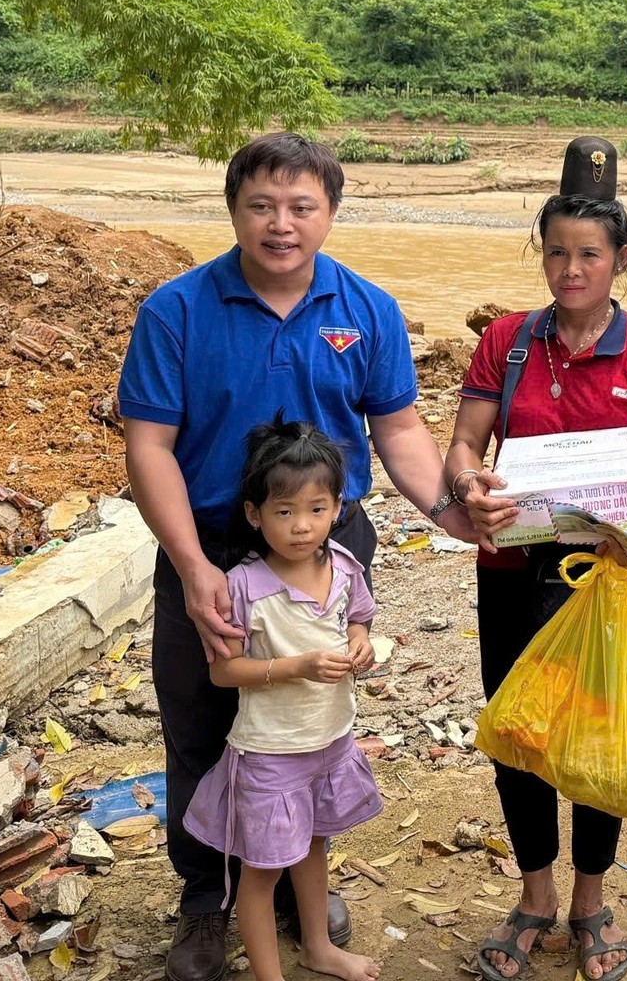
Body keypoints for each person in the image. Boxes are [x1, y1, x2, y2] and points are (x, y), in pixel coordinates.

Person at [119, 132, 463, 981]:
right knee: (202, 720)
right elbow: (149, 446)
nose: (282, 224)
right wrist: (193, 566)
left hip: (324, 543)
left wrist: (449, 510)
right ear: (233, 210)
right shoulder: (177, 310)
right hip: (212, 540)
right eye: (262, 206)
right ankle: (207, 898)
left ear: (331, 212)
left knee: (308, 718)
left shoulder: (368, 309)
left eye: (302, 206)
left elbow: (399, 430)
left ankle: (292, 884)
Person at [452, 137, 627, 981]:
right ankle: (534, 896)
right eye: (556, 252)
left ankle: (590, 901)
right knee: (518, 729)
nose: (571, 269)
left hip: (608, 577)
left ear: (622, 258)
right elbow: (465, 443)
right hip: (510, 567)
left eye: (589, 254)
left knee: (597, 734)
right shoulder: (507, 343)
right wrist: (469, 485)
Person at [184, 420, 384, 981]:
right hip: (271, 753)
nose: (301, 526)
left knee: (314, 846)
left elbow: (359, 619)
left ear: (337, 508)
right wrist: (295, 667)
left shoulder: (344, 565)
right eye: (285, 511)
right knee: (263, 870)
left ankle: (318, 947)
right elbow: (224, 671)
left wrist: (361, 643)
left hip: (330, 739)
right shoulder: (243, 586)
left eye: (316, 509)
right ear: (255, 514)